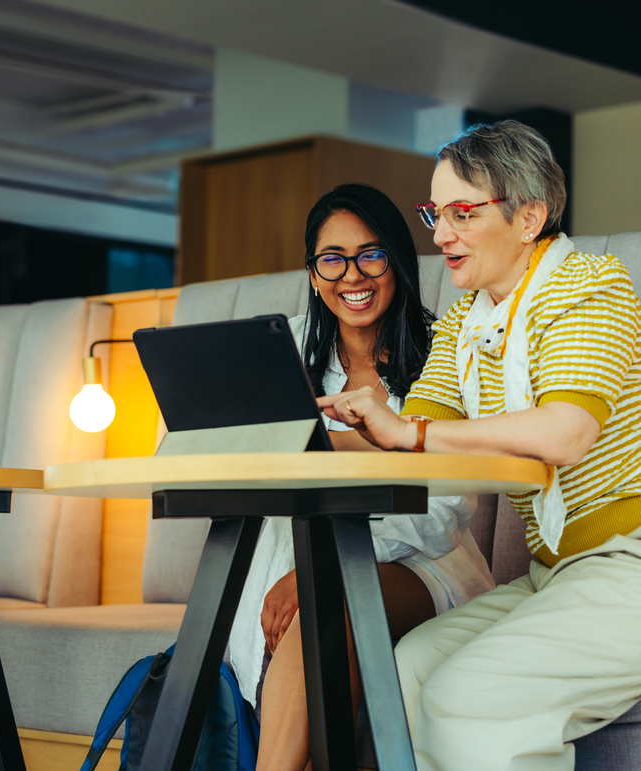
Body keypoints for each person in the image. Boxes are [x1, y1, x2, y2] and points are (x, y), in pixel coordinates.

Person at [319, 122, 641, 770]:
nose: (440, 235)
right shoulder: (466, 322)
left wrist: (409, 430)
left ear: (529, 216)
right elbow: (403, 445)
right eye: (434, 213)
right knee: (407, 671)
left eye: (462, 213)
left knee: (471, 695)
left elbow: (565, 432)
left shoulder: (587, 285)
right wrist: (301, 435)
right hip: (564, 572)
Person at [227, 183, 495, 771]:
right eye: (333, 259)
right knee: (319, 609)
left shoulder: (447, 349)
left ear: (397, 260)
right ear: (314, 271)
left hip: (421, 568)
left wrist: (323, 563)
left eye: (371, 254)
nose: (354, 275)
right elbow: (217, 441)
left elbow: (446, 503)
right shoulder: (284, 348)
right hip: (294, 565)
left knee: (328, 599)